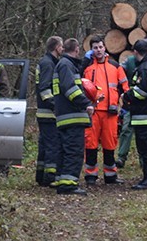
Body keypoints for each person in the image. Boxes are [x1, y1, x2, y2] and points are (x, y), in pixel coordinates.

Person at [81, 35, 129, 185]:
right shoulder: (87, 67)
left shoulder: (115, 66)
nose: (99, 50)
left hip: (110, 112)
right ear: (91, 50)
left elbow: (125, 87)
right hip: (93, 112)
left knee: (110, 143)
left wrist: (122, 104)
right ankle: (90, 175)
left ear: (105, 47)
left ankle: (110, 175)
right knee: (90, 143)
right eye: (95, 48)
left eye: (100, 47)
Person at [52, 38, 95, 195]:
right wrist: (86, 103)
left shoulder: (65, 65)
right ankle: (69, 185)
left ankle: (63, 181)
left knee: (65, 150)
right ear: (77, 49)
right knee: (74, 151)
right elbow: (71, 90)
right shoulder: (66, 65)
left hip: (66, 115)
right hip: (72, 116)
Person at [121, 39, 147, 190]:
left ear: (135, 52)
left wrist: (127, 96)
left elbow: (143, 91)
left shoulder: (145, 68)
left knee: (146, 149)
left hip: (145, 115)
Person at [34, 36, 63, 187]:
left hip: (44, 112)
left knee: (45, 145)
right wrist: (56, 106)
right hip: (48, 113)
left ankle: (41, 174)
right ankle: (50, 176)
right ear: (56, 47)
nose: (63, 49)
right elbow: (45, 89)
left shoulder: (46, 61)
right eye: (61, 46)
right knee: (53, 144)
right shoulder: (48, 64)